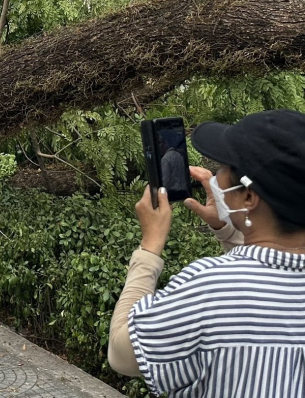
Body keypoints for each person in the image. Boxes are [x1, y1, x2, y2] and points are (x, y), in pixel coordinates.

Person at [108, 109, 305, 398]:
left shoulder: (210, 286)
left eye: (224, 167)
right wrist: (228, 229)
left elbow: (121, 352)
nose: (216, 176)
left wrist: (150, 246)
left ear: (248, 197)